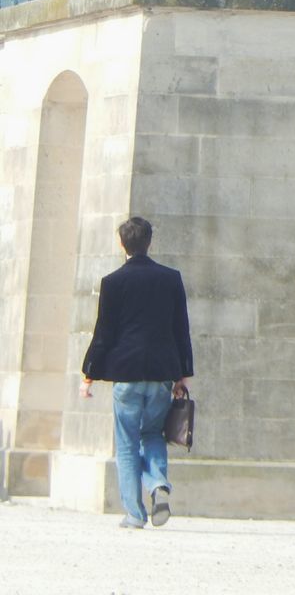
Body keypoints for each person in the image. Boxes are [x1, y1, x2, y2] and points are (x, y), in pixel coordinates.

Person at [81, 217, 194, 529]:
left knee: (128, 443)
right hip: (161, 373)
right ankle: (158, 484)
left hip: (126, 373)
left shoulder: (113, 282)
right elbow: (180, 328)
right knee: (152, 435)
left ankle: (134, 514)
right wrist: (184, 373)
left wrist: (88, 374)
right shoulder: (171, 278)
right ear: (150, 242)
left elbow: (103, 333)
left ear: (122, 244)